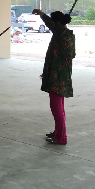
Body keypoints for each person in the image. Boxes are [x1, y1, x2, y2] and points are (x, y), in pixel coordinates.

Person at [32, 9, 76, 145]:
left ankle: (61, 137)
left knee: (56, 108)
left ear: (56, 23)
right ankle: (58, 132)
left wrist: (41, 13)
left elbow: (50, 24)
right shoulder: (67, 34)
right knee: (59, 107)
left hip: (58, 78)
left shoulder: (61, 33)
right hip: (60, 75)